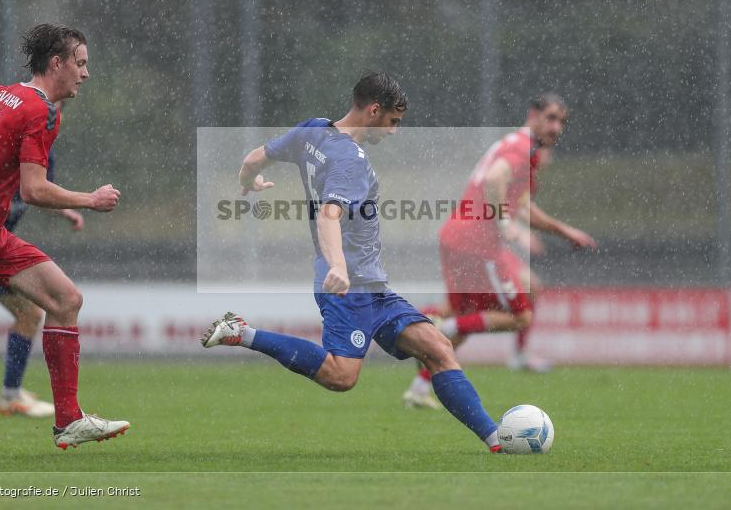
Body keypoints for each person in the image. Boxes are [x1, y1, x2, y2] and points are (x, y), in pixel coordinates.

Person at [202, 72, 506, 453]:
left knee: (439, 348)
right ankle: (241, 332)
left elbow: (252, 159)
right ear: (374, 110)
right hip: (348, 284)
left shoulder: (312, 131)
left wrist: (250, 180)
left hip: (371, 284)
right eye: (393, 122)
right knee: (341, 376)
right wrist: (339, 266)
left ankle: (498, 441)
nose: (394, 132)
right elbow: (329, 214)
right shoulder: (351, 159)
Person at [0, 23, 129, 449]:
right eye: (80, 64)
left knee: (65, 299)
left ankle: (68, 420)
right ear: (57, 64)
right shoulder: (42, 112)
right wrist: (90, 199)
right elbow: (33, 190)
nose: (86, 74)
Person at [403, 94, 596, 409]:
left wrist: (561, 230)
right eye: (550, 118)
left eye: (562, 121)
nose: (556, 127)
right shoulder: (521, 148)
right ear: (532, 115)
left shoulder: (523, 149)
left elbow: (521, 204)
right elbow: (495, 179)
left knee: (467, 317)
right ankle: (435, 328)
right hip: (477, 244)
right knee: (519, 315)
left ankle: (418, 389)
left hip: (456, 236)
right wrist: (505, 223)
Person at [0, 146, 85, 418]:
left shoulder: (45, 152)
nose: (53, 116)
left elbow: (38, 191)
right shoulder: (11, 140)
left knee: (29, 313)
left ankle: (11, 393)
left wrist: (65, 210)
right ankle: (10, 394)